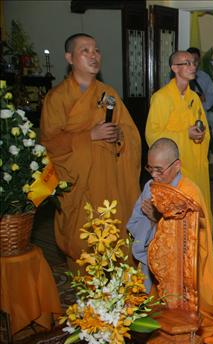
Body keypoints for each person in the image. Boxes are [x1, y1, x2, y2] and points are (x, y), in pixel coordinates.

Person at [40, 33, 141, 268]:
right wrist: (89, 136)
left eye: (96, 50)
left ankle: (118, 285)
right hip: (79, 183)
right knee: (83, 240)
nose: (93, 55)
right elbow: (49, 143)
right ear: (69, 58)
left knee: (115, 233)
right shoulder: (57, 97)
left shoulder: (109, 94)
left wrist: (119, 136)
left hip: (109, 180)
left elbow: (130, 133)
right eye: (85, 50)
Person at [128, 138, 213, 344]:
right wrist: (152, 223)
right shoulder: (150, 187)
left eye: (159, 170)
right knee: (149, 308)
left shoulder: (189, 192)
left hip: (188, 264)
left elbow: (192, 240)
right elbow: (134, 223)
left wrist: (157, 219)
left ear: (176, 166)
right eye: (150, 169)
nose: (154, 176)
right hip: (158, 262)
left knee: (204, 307)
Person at [145, 50, 212, 220]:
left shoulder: (194, 98)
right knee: (178, 216)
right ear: (174, 68)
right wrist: (185, 134)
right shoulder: (161, 98)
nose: (192, 67)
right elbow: (153, 135)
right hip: (175, 168)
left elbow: (204, 129)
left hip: (195, 164)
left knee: (198, 212)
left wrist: (200, 134)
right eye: (186, 63)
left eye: (193, 63)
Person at [186, 47, 213, 127]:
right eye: (190, 60)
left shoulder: (205, 77)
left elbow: (212, 95)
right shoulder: (179, 76)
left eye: (196, 60)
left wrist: (203, 102)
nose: (193, 63)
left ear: (199, 61)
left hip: (200, 116)